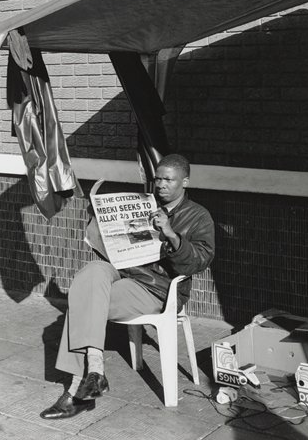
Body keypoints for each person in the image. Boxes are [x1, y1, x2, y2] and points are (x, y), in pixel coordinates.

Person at [40, 153, 214, 419]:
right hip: (125, 271)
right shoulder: (144, 204)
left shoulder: (198, 216)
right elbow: (111, 249)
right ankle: (95, 369)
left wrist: (170, 234)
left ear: (185, 181)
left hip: (157, 287)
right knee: (91, 272)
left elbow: (197, 262)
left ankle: (77, 391)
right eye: (157, 179)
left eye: (168, 180)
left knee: (83, 304)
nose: (161, 185)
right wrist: (101, 224)